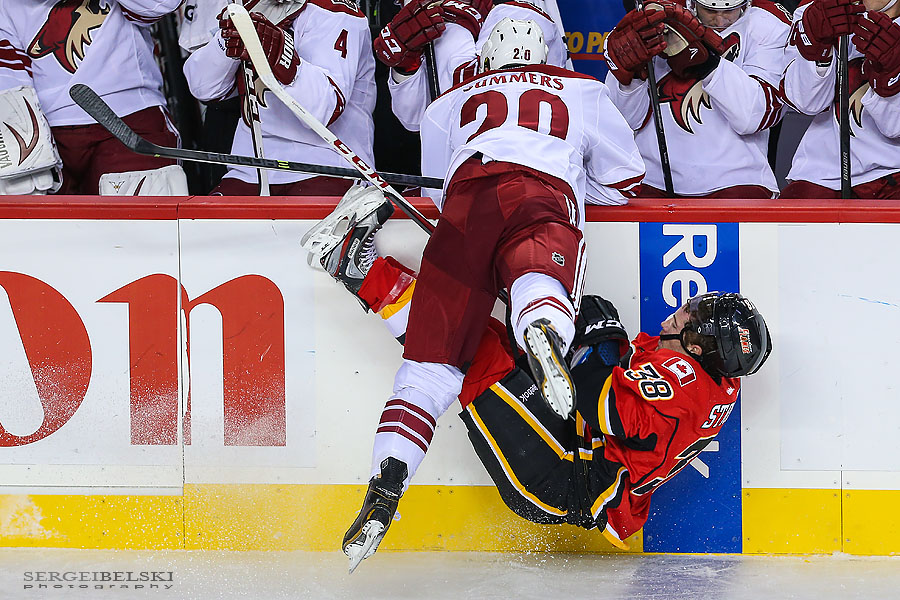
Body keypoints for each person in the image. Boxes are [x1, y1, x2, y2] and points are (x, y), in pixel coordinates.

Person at [303, 14, 646, 569]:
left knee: (429, 370)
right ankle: (540, 331)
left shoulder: (448, 103)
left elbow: (442, 184)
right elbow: (625, 183)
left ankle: (384, 490)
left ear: (485, 56)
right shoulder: (581, 90)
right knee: (538, 276)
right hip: (539, 195)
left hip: (462, 212)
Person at [301, 183, 771, 569]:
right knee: (473, 332)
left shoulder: (686, 380)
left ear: (698, 347)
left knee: (471, 351)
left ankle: (351, 268)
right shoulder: (710, 376)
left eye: (692, 315)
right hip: (571, 446)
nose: (681, 310)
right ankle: (361, 270)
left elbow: (600, 404)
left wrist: (597, 347)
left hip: (559, 473)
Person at [182, 0, 376, 196]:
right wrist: (227, 41)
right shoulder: (247, 6)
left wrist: (282, 55)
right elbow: (203, 88)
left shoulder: (337, 11)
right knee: (206, 224)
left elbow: (325, 108)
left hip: (330, 164)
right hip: (251, 168)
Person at [604, 0, 792, 198]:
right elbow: (623, 123)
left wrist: (706, 64)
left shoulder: (768, 22)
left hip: (739, 180)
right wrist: (631, 79)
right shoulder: (656, 16)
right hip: (651, 178)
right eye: (710, 10)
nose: (720, 19)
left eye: (729, 10)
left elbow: (753, 117)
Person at [0, 0, 188, 196]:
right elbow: (7, 78)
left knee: (143, 222)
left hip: (129, 122)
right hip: (42, 131)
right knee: (39, 223)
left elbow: (163, 4)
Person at [377, 0, 571, 133]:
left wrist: (463, 28)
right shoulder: (439, 21)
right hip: (453, 171)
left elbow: (499, 106)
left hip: (526, 164)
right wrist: (406, 68)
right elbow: (415, 120)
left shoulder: (520, 11)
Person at [780, 0, 900, 198]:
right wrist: (818, 50)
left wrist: (892, 74)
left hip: (893, 169)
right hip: (824, 171)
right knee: (791, 216)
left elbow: (894, 127)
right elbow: (806, 102)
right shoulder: (818, 9)